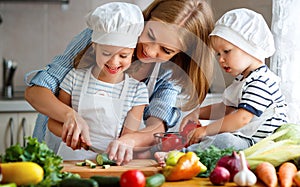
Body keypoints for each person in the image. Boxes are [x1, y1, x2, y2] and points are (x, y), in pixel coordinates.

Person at [24, 0, 215, 165]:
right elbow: (35, 92)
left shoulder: (169, 71)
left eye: (165, 50)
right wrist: (69, 116)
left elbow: (156, 126)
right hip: (55, 151)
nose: (149, 51)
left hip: (108, 159)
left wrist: (129, 141)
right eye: (150, 34)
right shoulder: (106, 31)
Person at [46, 2, 149, 160]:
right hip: (71, 158)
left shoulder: (137, 91)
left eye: (123, 56)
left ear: (133, 52)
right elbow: (53, 123)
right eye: (107, 53)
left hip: (112, 160)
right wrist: (74, 138)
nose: (114, 62)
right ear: (94, 47)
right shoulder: (74, 78)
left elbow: (127, 138)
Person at [179, 8, 288, 152]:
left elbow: (241, 118)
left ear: (249, 48)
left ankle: (183, 155)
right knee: (217, 137)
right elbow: (226, 108)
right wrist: (196, 113)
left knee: (224, 140)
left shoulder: (261, 82)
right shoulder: (244, 80)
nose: (221, 59)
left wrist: (206, 130)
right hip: (246, 140)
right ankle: (188, 151)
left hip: (262, 146)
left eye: (226, 51)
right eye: (218, 54)